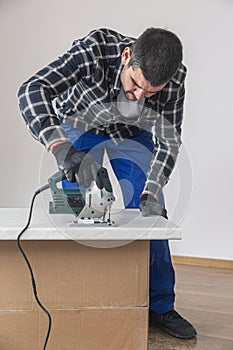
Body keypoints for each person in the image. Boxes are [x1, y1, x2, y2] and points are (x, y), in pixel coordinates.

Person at [17, 27, 197, 339]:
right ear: (127, 58)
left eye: (151, 94)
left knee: (151, 218)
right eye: (136, 85)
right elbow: (32, 89)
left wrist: (152, 188)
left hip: (132, 135)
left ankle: (160, 307)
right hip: (78, 125)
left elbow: (168, 141)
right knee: (76, 214)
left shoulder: (175, 77)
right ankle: (76, 297)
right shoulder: (94, 51)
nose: (139, 97)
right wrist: (61, 148)